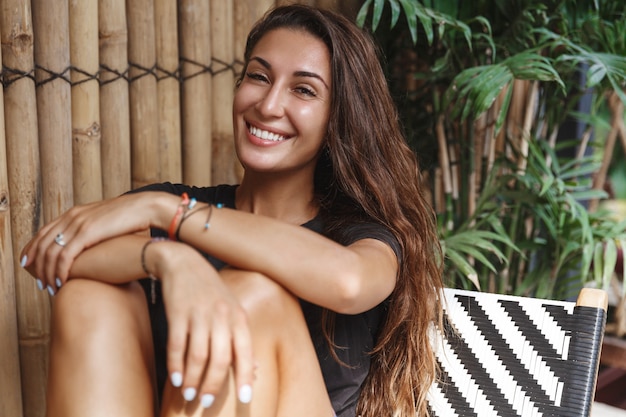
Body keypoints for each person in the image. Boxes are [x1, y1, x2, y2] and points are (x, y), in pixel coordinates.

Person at [20, 4, 443, 417]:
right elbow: (56, 258)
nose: (269, 105)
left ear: (338, 118)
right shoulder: (172, 211)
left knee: (254, 293)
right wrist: (169, 258)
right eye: (259, 77)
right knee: (89, 294)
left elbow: (349, 282)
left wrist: (165, 212)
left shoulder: (361, 235)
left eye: (303, 90)